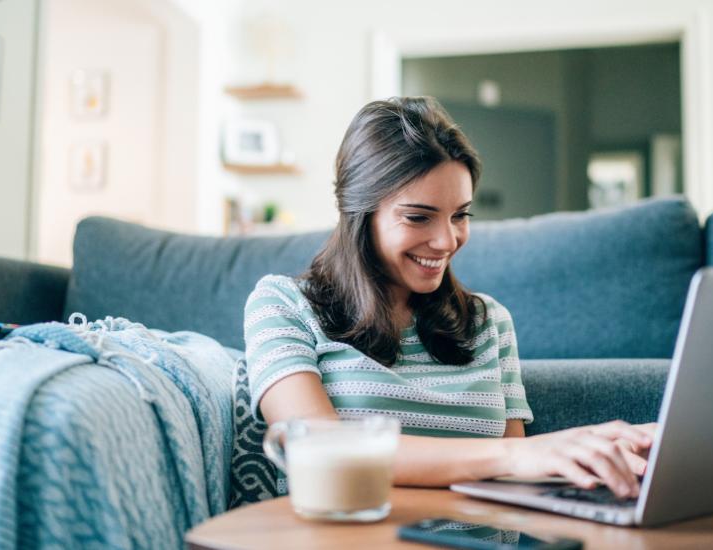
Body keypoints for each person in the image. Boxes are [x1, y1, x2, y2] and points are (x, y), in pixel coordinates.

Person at [244, 96, 653, 499]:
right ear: (358, 213)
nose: (446, 240)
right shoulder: (283, 305)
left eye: (460, 215)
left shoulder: (488, 322)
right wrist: (515, 453)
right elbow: (316, 449)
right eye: (419, 217)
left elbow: (517, 482)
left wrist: (598, 454)